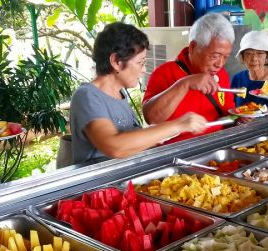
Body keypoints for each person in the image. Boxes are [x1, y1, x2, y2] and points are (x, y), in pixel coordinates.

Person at [70, 22, 207, 164]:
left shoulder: (119, 94)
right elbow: (115, 147)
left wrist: (163, 136)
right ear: (116, 61)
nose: (143, 70)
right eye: (140, 62)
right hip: (103, 184)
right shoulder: (87, 96)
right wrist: (178, 125)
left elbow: (132, 142)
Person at [142, 13, 235, 144]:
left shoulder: (220, 74)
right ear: (193, 47)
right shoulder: (164, 73)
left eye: (225, 57)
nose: (219, 64)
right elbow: (152, 118)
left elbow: (227, 113)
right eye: (215, 56)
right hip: (177, 155)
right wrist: (185, 84)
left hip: (217, 148)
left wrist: (240, 118)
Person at [231, 30, 268, 112]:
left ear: (266, 56)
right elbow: (230, 109)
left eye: (260, 53)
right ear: (243, 57)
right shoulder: (237, 79)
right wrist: (239, 118)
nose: (254, 58)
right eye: (249, 53)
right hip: (244, 125)